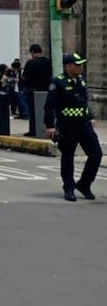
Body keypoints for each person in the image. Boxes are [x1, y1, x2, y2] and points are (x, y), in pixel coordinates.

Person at [44, 53, 101, 201]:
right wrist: (50, 126)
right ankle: (68, 187)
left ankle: (84, 184)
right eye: (77, 65)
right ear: (68, 66)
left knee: (96, 154)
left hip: (84, 124)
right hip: (67, 125)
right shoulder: (58, 82)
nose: (80, 68)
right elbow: (49, 106)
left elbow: (83, 102)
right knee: (68, 156)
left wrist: (90, 117)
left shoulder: (81, 81)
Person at [20, 44, 52, 137]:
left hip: (33, 90)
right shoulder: (48, 62)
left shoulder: (31, 63)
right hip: (46, 90)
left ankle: (33, 130)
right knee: (46, 110)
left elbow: (25, 77)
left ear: (33, 52)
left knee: (32, 112)